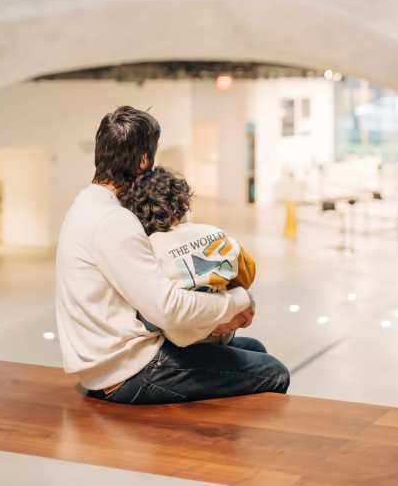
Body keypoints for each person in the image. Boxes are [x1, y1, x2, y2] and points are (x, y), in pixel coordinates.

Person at [56, 105, 289, 405]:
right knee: (274, 372)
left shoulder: (86, 204)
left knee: (253, 349)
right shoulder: (114, 222)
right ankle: (204, 447)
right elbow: (166, 308)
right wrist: (236, 303)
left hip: (104, 361)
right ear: (143, 160)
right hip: (128, 370)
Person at [118, 165, 256, 345]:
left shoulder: (147, 249)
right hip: (218, 331)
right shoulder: (212, 233)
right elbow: (247, 275)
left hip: (178, 339)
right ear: (183, 204)